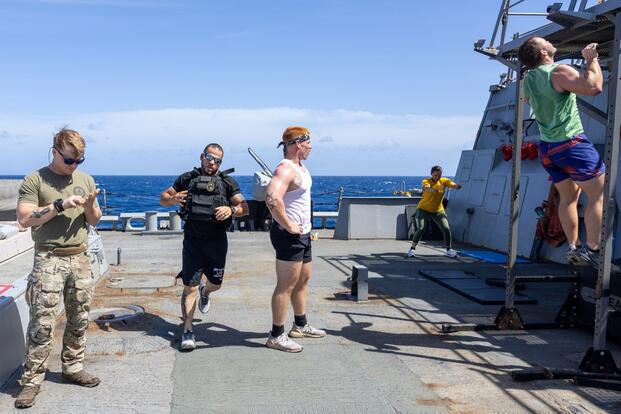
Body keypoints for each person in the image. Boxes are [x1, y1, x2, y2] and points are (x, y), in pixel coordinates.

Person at [15, 128, 101, 409]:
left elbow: (94, 220)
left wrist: (90, 206)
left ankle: (73, 367)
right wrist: (60, 205)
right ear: (55, 152)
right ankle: (31, 381)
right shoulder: (36, 179)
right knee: (42, 323)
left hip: (80, 257)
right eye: (69, 160)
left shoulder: (85, 180)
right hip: (49, 259)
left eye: (79, 161)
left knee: (79, 317)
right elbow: (25, 219)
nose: (74, 165)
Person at [518, 37, 604, 267]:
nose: (549, 41)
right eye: (544, 41)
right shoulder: (558, 71)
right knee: (598, 195)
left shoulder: (528, 79)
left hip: (548, 148)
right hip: (572, 144)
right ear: (543, 52)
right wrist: (591, 60)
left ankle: (574, 247)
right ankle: (593, 250)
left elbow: (527, 99)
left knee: (568, 198)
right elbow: (594, 87)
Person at [160, 143, 248, 351]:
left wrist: (231, 209)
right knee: (189, 287)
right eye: (209, 157)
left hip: (217, 242)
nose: (212, 163)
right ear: (202, 156)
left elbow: (244, 207)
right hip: (193, 241)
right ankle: (188, 330)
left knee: (216, 284)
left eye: (217, 160)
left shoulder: (227, 182)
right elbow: (164, 199)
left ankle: (206, 291)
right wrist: (173, 199)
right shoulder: (187, 179)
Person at [264, 126, 326, 353]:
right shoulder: (285, 169)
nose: (311, 147)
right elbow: (272, 198)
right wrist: (289, 224)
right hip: (288, 236)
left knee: (303, 280)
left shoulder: (301, 167)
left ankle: (300, 325)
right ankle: (276, 335)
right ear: (297, 144)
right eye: (308, 143)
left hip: (303, 234)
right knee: (286, 285)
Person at [408, 166, 461, 258]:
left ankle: (449, 250)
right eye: (435, 175)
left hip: (437, 210)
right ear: (431, 174)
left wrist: (456, 186)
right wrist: (435, 189)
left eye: (439, 175)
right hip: (423, 208)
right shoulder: (426, 181)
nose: (437, 177)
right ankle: (412, 249)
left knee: (446, 228)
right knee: (421, 228)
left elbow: (452, 184)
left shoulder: (444, 181)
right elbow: (426, 188)